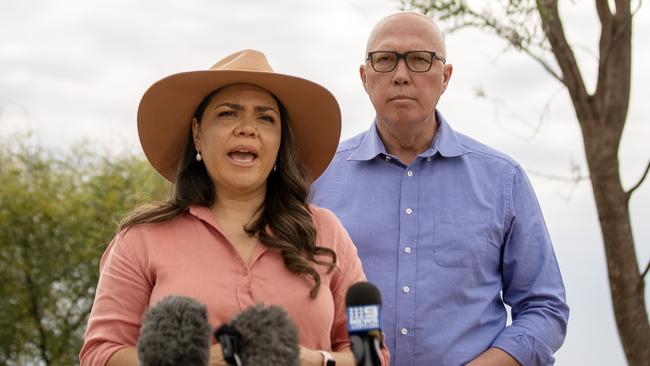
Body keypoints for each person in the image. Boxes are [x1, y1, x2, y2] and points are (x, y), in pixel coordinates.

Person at [80, 49, 389, 366]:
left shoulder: (327, 231)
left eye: (265, 118)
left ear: (281, 141)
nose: (247, 128)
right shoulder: (141, 239)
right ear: (198, 134)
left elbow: (372, 355)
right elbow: (100, 354)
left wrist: (313, 360)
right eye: (228, 113)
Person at [311, 12, 569, 366]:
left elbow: (545, 307)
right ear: (364, 77)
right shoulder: (316, 178)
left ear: (445, 77)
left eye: (419, 60)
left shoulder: (502, 180)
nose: (401, 75)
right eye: (385, 60)